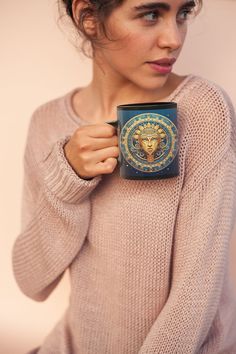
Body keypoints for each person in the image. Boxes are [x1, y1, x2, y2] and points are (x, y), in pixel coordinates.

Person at [12, 0, 236, 353]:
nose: (173, 39)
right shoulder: (47, 123)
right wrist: (67, 181)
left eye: (183, 14)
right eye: (151, 14)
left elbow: (197, 290)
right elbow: (31, 282)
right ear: (87, 16)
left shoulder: (203, 109)